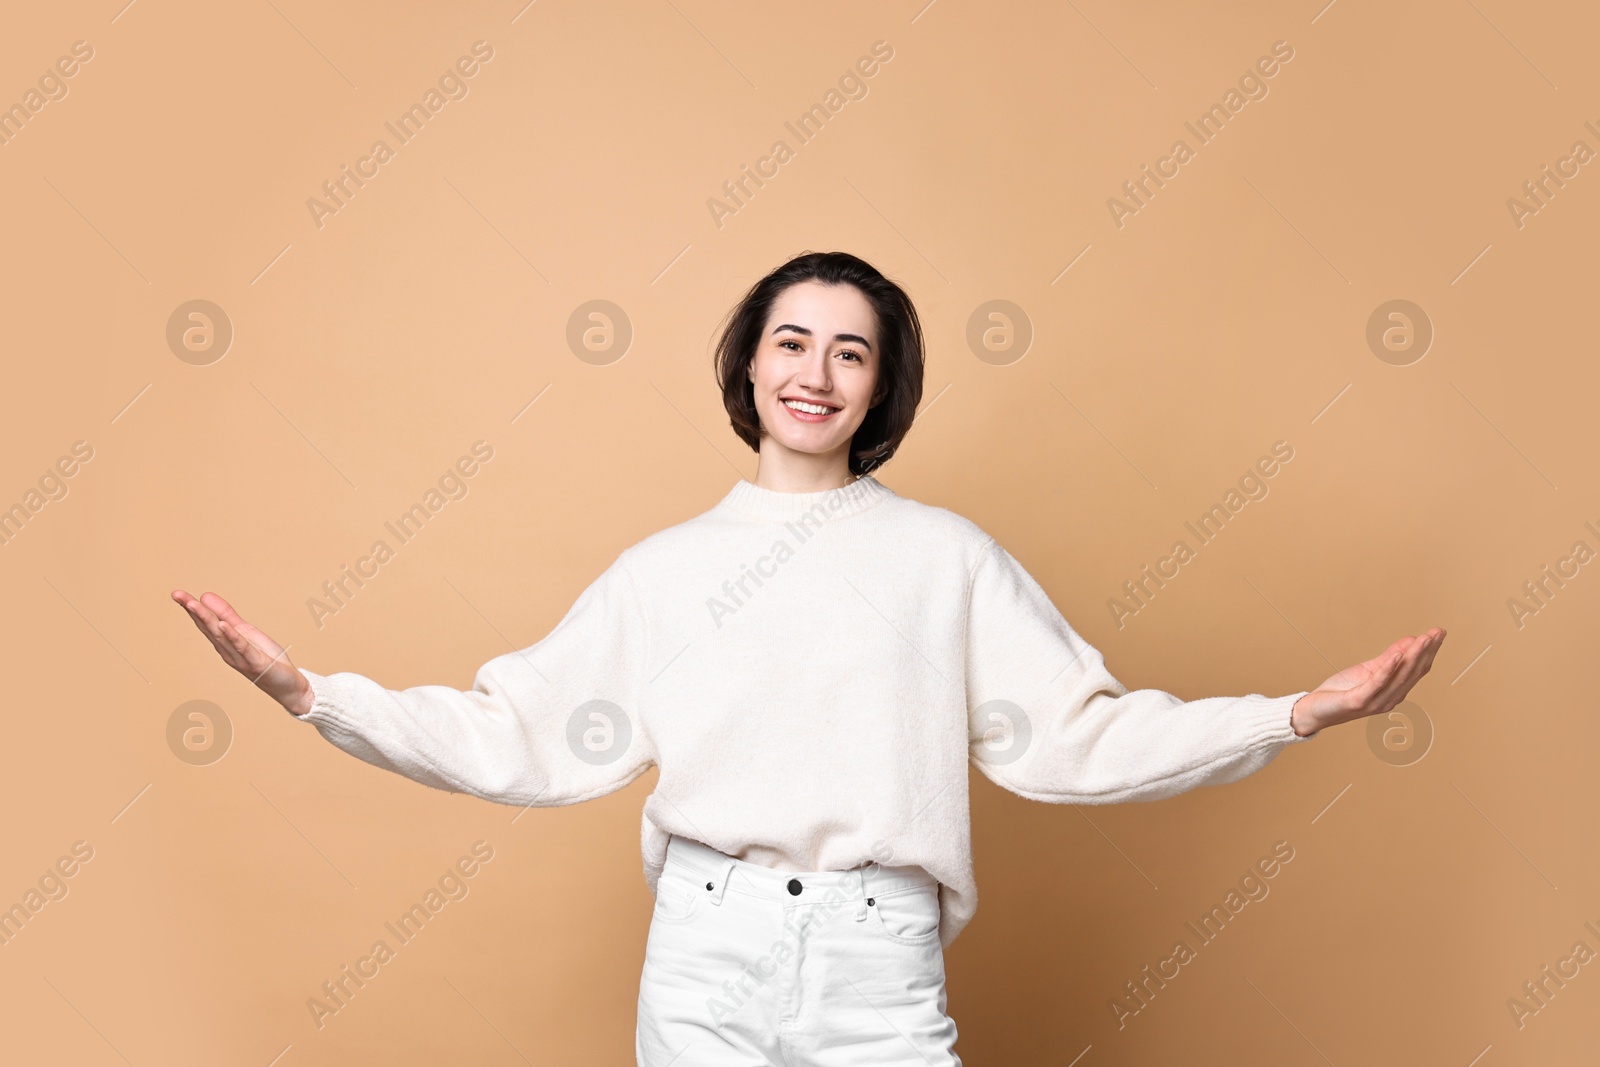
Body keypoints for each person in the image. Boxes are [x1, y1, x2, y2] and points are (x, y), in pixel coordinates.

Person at [173, 250, 1444, 1065]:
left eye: (851, 348)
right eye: (791, 338)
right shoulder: (666, 567)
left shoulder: (943, 556)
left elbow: (1077, 736)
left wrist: (1291, 713)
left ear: (879, 385)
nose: (816, 370)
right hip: (703, 953)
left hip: (878, 957)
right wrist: (313, 696)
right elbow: (518, 730)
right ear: (749, 361)